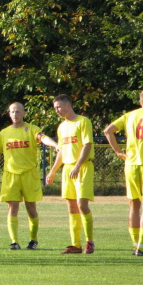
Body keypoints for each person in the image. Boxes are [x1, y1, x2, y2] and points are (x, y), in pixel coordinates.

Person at [0, 102, 58, 250]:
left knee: (31, 208)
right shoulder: (4, 133)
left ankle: (33, 240)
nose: (15, 114)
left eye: (18, 112)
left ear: (24, 113)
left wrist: (54, 145)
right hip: (11, 175)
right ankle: (14, 241)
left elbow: (42, 137)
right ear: (9, 114)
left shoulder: (30, 129)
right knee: (12, 207)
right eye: (12, 112)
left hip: (29, 174)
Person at [104, 88, 143, 256]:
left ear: (140, 101)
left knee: (134, 204)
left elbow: (108, 131)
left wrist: (118, 152)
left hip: (131, 163)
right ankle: (142, 246)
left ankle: (135, 244)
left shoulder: (129, 115)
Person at [46, 95, 95, 254]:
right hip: (68, 168)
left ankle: (89, 242)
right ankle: (76, 244)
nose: (57, 110)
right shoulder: (61, 127)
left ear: (68, 105)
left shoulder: (83, 121)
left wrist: (78, 165)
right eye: (55, 108)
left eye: (59, 107)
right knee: (72, 207)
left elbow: (87, 145)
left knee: (82, 205)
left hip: (83, 167)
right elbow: (61, 151)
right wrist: (53, 171)